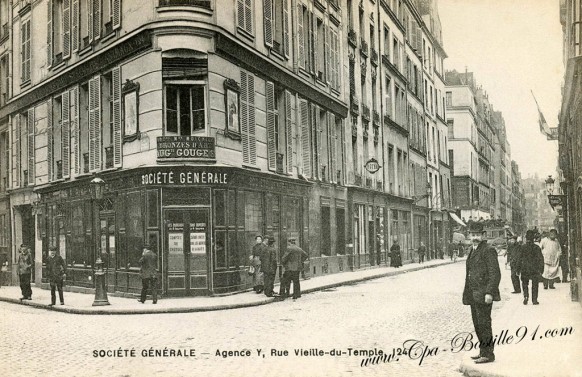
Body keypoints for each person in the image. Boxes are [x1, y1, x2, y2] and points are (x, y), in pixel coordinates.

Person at [462, 222, 501, 364]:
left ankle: (488, 354)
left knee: (484, 323)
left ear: (483, 235)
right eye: (473, 235)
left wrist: (490, 292)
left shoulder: (488, 250)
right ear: (469, 236)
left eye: (478, 235)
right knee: (477, 324)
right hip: (473, 294)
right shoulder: (472, 249)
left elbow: (494, 273)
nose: (475, 237)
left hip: (483, 294)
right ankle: (482, 351)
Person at [517, 230, 544, 305]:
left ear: (526, 238)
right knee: (535, 284)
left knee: (525, 283)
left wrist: (518, 269)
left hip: (524, 268)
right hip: (534, 269)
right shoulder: (536, 247)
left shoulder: (522, 247)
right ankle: (534, 300)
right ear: (533, 238)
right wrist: (541, 269)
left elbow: (519, 259)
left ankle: (526, 296)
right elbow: (541, 259)